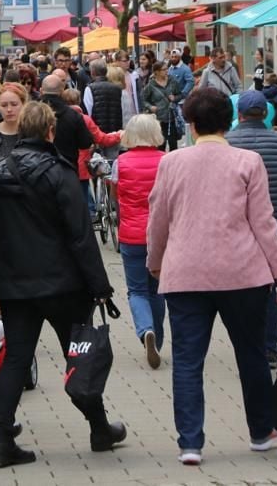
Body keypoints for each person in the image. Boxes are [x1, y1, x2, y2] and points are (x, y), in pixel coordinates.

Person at [147, 88, 277, 466]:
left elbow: (158, 219)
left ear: (191, 124)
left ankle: (190, 443)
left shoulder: (171, 163)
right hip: (243, 273)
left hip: (185, 274)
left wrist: (155, 261)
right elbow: (264, 224)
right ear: (228, 121)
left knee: (187, 360)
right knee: (252, 354)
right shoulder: (249, 161)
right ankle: (262, 431)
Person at [0, 101, 122, 467]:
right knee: (79, 357)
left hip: (16, 284)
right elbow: (80, 236)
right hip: (64, 286)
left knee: (16, 359)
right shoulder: (60, 174)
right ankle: (99, 427)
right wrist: (100, 286)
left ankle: (1, 440)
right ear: (50, 131)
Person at [226, 90, 277, 363]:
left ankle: (248, 345)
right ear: (267, 113)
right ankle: (270, 348)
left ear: (239, 114)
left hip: (238, 226)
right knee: (272, 283)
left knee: (242, 286)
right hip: (276, 224)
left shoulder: (228, 142)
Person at [112, 114, 166, 369]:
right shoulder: (166, 161)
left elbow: (117, 195)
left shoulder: (121, 162)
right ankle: (158, 336)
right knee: (157, 289)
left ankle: (146, 331)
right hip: (161, 235)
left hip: (132, 234)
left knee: (136, 290)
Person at [39, 75, 94, 167]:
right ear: (62, 91)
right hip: (67, 168)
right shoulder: (74, 115)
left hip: (39, 169)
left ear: (41, 91)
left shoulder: (32, 114)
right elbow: (85, 143)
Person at [141, 61, 183, 151]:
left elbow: (180, 95)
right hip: (158, 120)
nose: (166, 71)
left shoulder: (172, 81)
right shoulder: (151, 85)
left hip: (171, 118)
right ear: (157, 72)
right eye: (164, 69)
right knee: (160, 146)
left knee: (173, 146)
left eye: (167, 68)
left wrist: (175, 98)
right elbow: (143, 100)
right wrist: (150, 107)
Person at [83, 59, 124, 135]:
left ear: (92, 72)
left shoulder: (90, 88)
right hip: (115, 131)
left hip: (97, 132)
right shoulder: (117, 88)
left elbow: (88, 111)